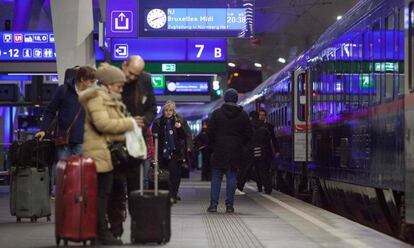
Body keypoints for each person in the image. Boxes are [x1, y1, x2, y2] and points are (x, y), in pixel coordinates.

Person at [79, 65, 139, 245]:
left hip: (105, 153)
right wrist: (128, 124)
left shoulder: (106, 98)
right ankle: (99, 234)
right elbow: (103, 124)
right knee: (100, 196)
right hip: (98, 154)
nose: (121, 89)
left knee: (103, 195)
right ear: (108, 84)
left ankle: (102, 233)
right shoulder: (97, 98)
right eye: (118, 86)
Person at [107, 55, 157, 239]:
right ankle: (115, 230)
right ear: (123, 65)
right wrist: (126, 121)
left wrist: (145, 120)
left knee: (136, 190)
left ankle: (139, 231)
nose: (131, 78)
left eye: (136, 75)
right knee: (115, 189)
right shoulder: (111, 78)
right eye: (130, 74)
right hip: (114, 143)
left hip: (136, 144)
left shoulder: (145, 80)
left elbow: (152, 107)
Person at [35, 66, 96, 198]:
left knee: (79, 168)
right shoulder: (63, 90)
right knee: (62, 167)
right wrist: (43, 130)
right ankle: (59, 192)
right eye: (90, 81)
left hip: (82, 139)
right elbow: (50, 111)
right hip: (64, 138)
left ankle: (74, 193)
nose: (92, 84)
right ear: (82, 79)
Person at [206, 88, 251, 213]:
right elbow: (249, 134)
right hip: (235, 150)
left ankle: (213, 205)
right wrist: (241, 145)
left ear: (225, 99)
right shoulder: (243, 115)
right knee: (232, 177)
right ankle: (229, 206)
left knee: (216, 177)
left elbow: (209, 133)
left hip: (219, 149)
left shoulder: (216, 114)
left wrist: (211, 147)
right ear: (236, 99)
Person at [152, 100, 192, 204]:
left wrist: (179, 128)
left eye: (170, 110)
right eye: (166, 110)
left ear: (174, 111)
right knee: (163, 174)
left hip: (175, 152)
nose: (168, 112)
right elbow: (154, 137)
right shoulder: (158, 122)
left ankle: (173, 195)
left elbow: (184, 136)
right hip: (161, 152)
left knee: (174, 174)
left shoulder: (179, 121)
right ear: (163, 111)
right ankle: (165, 194)